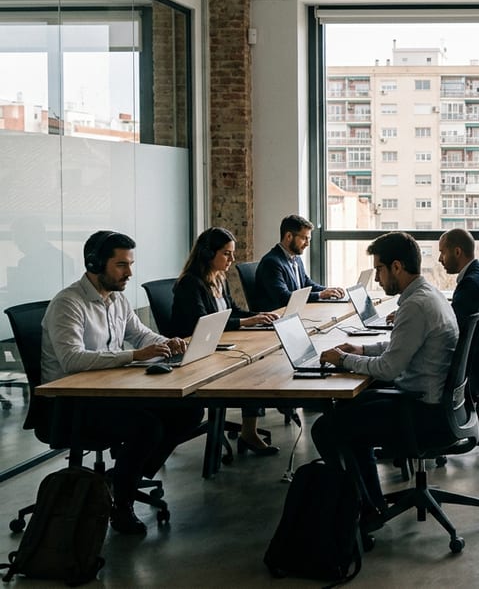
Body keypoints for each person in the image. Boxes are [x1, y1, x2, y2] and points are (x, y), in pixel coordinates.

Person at [40, 231, 203, 535]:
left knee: (188, 412)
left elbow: (141, 335)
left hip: (109, 391)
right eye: (121, 265)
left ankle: (123, 478)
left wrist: (167, 343)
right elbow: (72, 360)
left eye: (130, 264)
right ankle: (122, 506)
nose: (129, 272)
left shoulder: (117, 299)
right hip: (70, 404)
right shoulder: (69, 303)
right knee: (147, 427)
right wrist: (134, 356)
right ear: (95, 263)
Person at [312, 232, 459, 523]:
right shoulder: (427, 294)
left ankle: (359, 509)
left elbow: (389, 368)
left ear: (396, 267)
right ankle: (370, 503)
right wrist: (362, 348)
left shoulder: (415, 305)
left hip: (421, 411)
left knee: (326, 428)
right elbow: (403, 345)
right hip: (434, 403)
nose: (378, 279)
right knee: (347, 413)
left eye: (379, 269)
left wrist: (343, 359)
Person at [169, 227, 279, 456]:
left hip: (218, 345)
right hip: (196, 353)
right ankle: (243, 436)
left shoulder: (219, 278)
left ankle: (249, 432)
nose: (232, 259)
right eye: (226, 253)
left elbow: (232, 311)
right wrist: (246, 323)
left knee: (256, 362)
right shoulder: (191, 284)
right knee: (251, 369)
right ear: (209, 254)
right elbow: (203, 323)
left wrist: (258, 317)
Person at [438, 228, 479, 387]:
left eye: (442, 252)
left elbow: (451, 331)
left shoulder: (470, 285)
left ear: (457, 252)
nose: (440, 259)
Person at [255, 214, 344, 310]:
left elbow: (306, 283)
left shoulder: (295, 257)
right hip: (279, 318)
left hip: (296, 312)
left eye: (309, 239)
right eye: (304, 238)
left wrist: (329, 290)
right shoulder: (271, 262)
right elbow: (284, 298)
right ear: (289, 236)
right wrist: (320, 295)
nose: (307, 244)